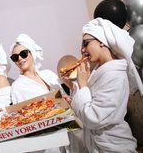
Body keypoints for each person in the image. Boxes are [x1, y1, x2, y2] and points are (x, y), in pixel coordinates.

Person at [61, 17, 143, 153]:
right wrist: (74, 89)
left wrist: (82, 86)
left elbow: (94, 118)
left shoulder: (114, 75)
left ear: (102, 42)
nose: (82, 49)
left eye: (86, 43)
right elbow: (90, 100)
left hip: (112, 146)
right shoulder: (100, 70)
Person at [10, 33, 65, 153]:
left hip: (66, 135)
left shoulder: (49, 75)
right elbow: (22, 122)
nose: (19, 58)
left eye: (23, 54)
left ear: (32, 53)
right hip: (45, 144)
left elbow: (64, 100)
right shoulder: (17, 86)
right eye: (15, 57)